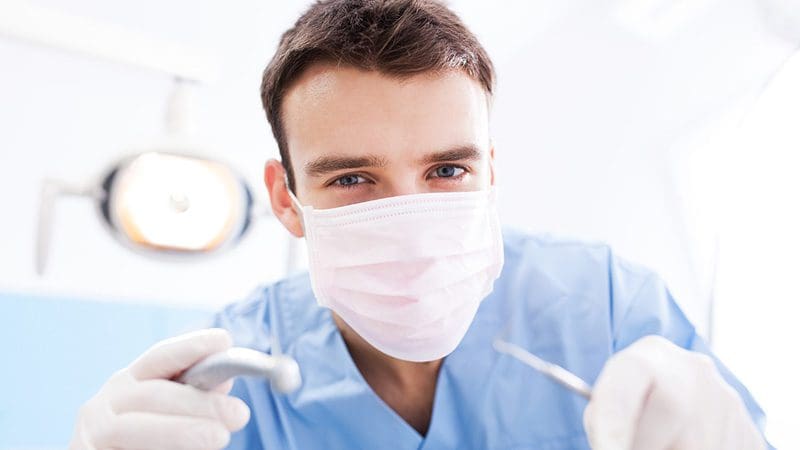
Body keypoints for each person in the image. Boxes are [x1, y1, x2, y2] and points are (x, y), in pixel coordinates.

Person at [69, 1, 771, 449]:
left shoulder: (605, 307)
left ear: (489, 173)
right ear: (286, 199)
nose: (409, 225)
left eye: (447, 170)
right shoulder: (232, 383)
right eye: (352, 179)